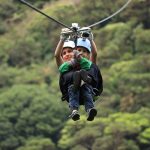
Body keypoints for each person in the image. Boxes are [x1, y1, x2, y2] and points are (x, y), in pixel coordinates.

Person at [54, 29, 103, 121]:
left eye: (69, 51)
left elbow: (94, 54)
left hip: (88, 90)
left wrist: (90, 39)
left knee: (89, 72)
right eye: (64, 53)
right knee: (72, 83)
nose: (67, 54)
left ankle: (90, 109)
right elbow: (57, 55)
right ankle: (74, 111)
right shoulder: (64, 66)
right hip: (72, 91)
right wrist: (62, 39)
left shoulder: (85, 63)